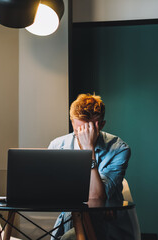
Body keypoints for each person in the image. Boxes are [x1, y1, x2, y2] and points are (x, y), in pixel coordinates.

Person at [49, 93, 140, 240]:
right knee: (73, 220)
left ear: (101, 125)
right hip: (70, 221)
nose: (83, 133)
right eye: (79, 128)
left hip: (107, 226)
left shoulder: (119, 149)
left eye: (88, 128)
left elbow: (96, 198)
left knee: (86, 215)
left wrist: (88, 150)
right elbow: (52, 193)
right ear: (72, 122)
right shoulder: (57, 146)